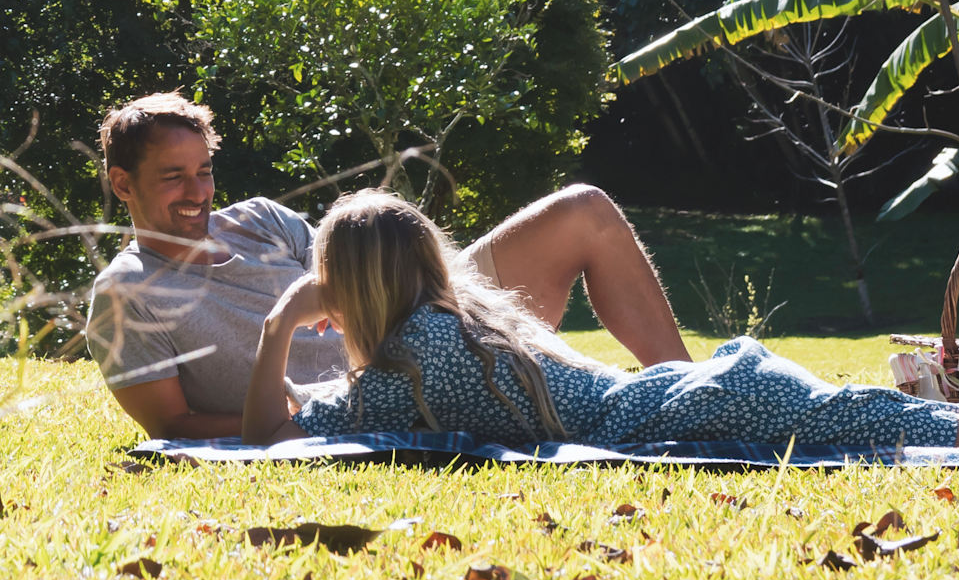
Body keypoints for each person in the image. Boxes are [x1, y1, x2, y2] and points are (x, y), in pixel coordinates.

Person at [240, 189, 959, 460]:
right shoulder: (462, 319)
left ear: (349, 288)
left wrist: (282, 322)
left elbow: (267, 435)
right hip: (708, 392)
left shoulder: (400, 379)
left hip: (717, 417)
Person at [84, 92, 696, 442]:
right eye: (173, 177)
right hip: (365, 396)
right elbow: (170, 425)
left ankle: (686, 395)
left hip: (427, 330)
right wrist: (298, 412)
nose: (198, 191)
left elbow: (362, 271)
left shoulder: (260, 220)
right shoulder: (126, 294)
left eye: (204, 171)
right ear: (122, 183)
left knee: (583, 210)